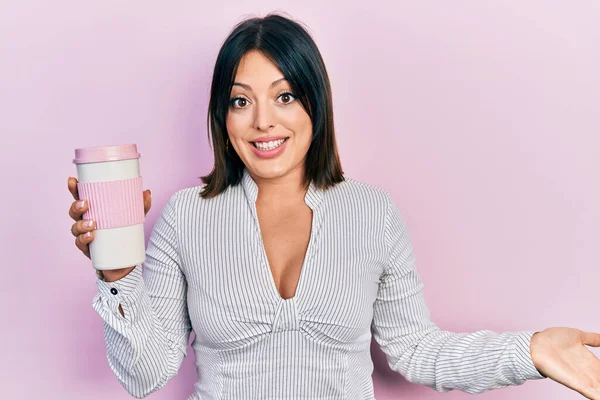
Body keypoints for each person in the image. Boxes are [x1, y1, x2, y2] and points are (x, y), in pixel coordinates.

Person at [67, 12, 600, 400]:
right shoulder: (186, 217)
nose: (262, 123)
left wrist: (530, 351)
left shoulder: (373, 214)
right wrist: (115, 272)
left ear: (314, 104)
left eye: (284, 96)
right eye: (240, 100)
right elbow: (145, 374)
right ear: (221, 116)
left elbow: (415, 350)